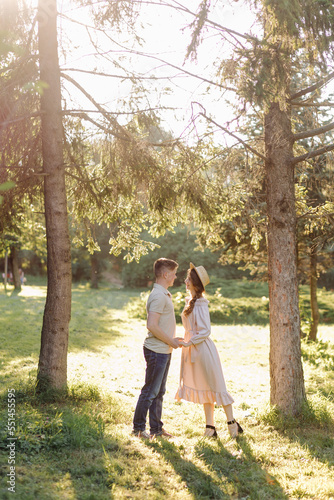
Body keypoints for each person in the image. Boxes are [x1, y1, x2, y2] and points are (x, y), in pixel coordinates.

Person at [175, 263, 243, 438]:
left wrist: (189, 342)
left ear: (196, 283)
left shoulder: (201, 303)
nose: (185, 281)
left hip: (202, 349)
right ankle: (210, 428)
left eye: (189, 279)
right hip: (192, 349)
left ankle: (231, 424)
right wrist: (186, 341)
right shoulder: (189, 301)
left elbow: (205, 331)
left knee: (217, 386)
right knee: (205, 388)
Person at [133, 258, 182, 439]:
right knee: (150, 391)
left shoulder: (164, 294)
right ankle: (138, 429)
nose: (176, 277)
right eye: (174, 273)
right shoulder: (158, 295)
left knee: (159, 392)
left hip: (164, 349)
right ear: (165, 274)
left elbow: (161, 324)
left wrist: (172, 340)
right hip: (156, 350)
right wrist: (170, 340)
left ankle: (157, 430)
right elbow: (152, 325)